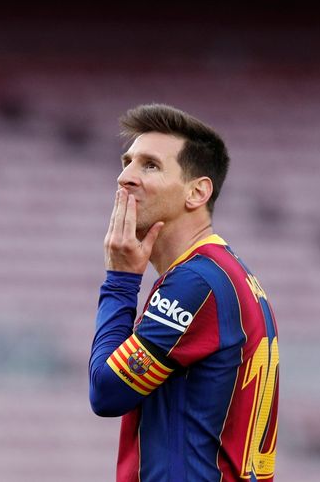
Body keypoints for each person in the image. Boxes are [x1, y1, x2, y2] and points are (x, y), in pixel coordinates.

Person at [89, 104, 279, 481]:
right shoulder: (226, 274)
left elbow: (106, 391)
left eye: (150, 165)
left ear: (197, 192)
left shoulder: (196, 283)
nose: (125, 177)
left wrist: (121, 281)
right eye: (127, 162)